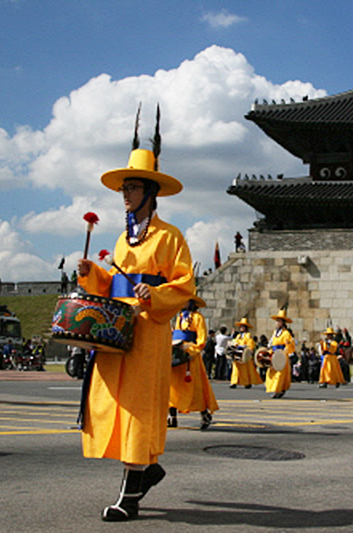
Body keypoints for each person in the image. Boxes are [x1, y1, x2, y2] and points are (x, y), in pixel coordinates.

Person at [76, 112, 196, 522]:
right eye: (123, 188)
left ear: (150, 192)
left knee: (140, 407)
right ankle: (149, 470)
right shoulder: (120, 238)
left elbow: (185, 286)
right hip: (117, 328)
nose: (125, 194)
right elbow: (111, 283)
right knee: (115, 401)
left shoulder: (170, 236)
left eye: (132, 187)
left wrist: (155, 293)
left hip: (149, 329)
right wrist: (91, 273)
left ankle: (129, 496)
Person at [168, 296, 218, 429]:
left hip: (190, 355)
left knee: (194, 388)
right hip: (177, 353)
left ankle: (204, 414)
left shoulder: (198, 318)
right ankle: (172, 416)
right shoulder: (178, 317)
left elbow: (202, 339)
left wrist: (193, 352)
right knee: (172, 387)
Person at [265, 307, 295, 399]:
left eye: (278, 321)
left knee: (279, 374)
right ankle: (277, 389)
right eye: (276, 321)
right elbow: (271, 343)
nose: (277, 323)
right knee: (271, 373)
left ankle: (278, 390)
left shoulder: (286, 334)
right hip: (274, 355)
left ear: (282, 323)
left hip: (281, 356)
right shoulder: (275, 333)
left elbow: (290, 345)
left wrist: (284, 352)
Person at [228, 317, 262, 389]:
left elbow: (250, 345)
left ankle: (246, 382)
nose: (241, 328)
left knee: (244, 370)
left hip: (244, 354)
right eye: (241, 326)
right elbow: (234, 342)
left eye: (243, 326)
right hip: (237, 353)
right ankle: (234, 382)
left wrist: (244, 347)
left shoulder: (248, 335)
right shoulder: (238, 336)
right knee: (236, 368)